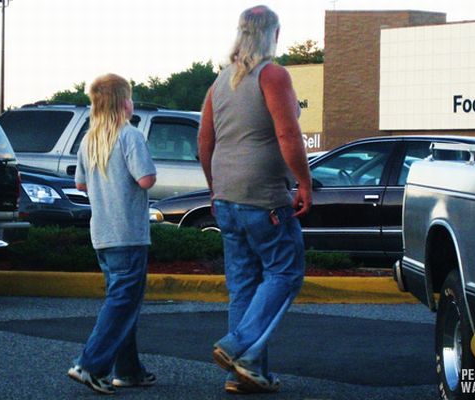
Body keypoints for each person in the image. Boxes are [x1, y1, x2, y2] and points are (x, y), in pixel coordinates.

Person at [197, 5, 312, 395]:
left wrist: (214, 188)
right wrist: (304, 183)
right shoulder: (272, 74)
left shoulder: (219, 82)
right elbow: (288, 135)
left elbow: (205, 142)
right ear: (273, 35)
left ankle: (245, 374)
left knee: (243, 284)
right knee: (285, 272)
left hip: (227, 196)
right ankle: (237, 345)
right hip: (264, 197)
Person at [67, 73, 157, 395]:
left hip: (102, 234)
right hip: (128, 233)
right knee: (122, 302)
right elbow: (146, 179)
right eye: (130, 97)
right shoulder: (130, 136)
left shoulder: (88, 140)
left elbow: (80, 184)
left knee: (123, 302)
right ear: (123, 103)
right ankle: (89, 365)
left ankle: (128, 371)